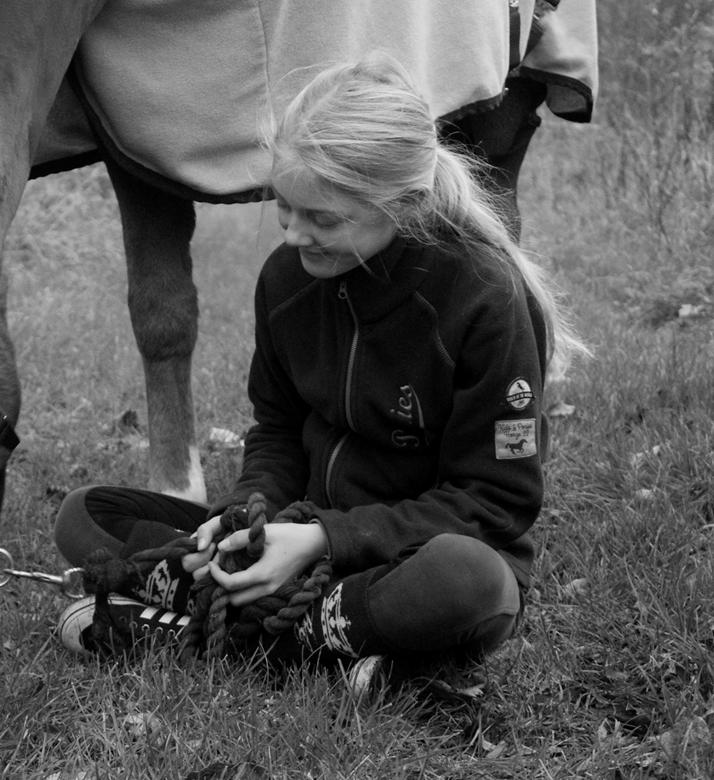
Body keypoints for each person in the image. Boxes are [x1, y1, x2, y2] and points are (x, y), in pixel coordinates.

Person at [51, 55, 587, 690]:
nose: (296, 235)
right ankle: (340, 649)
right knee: (85, 517)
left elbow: (495, 504)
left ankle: (210, 632)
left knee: (466, 582)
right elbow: (276, 432)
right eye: (286, 206)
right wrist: (247, 517)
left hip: (408, 556)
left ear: (405, 203)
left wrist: (323, 541)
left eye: (324, 218)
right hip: (297, 535)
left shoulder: (485, 300)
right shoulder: (285, 280)